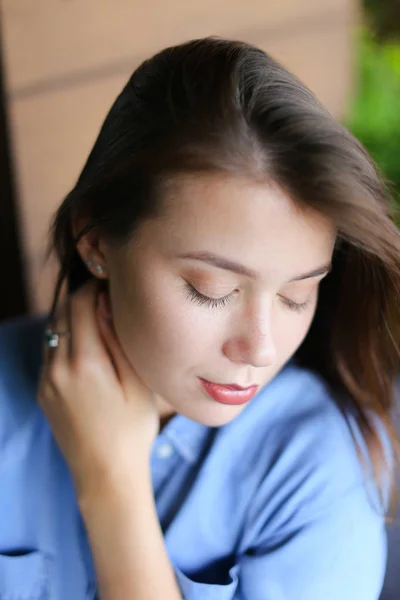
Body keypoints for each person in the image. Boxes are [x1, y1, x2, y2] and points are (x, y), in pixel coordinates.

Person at [0, 37, 399, 600]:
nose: (260, 348)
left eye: (297, 295)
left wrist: (111, 483)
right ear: (94, 241)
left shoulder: (318, 469)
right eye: (211, 290)